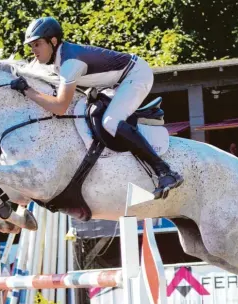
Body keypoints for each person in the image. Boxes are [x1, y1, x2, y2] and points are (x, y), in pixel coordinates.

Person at [10, 16, 183, 198]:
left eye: (37, 44)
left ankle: (165, 172)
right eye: (31, 46)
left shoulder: (70, 63)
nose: (33, 51)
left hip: (136, 75)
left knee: (110, 121)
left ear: (53, 41)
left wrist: (27, 91)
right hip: (115, 83)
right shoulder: (57, 57)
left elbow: (60, 107)